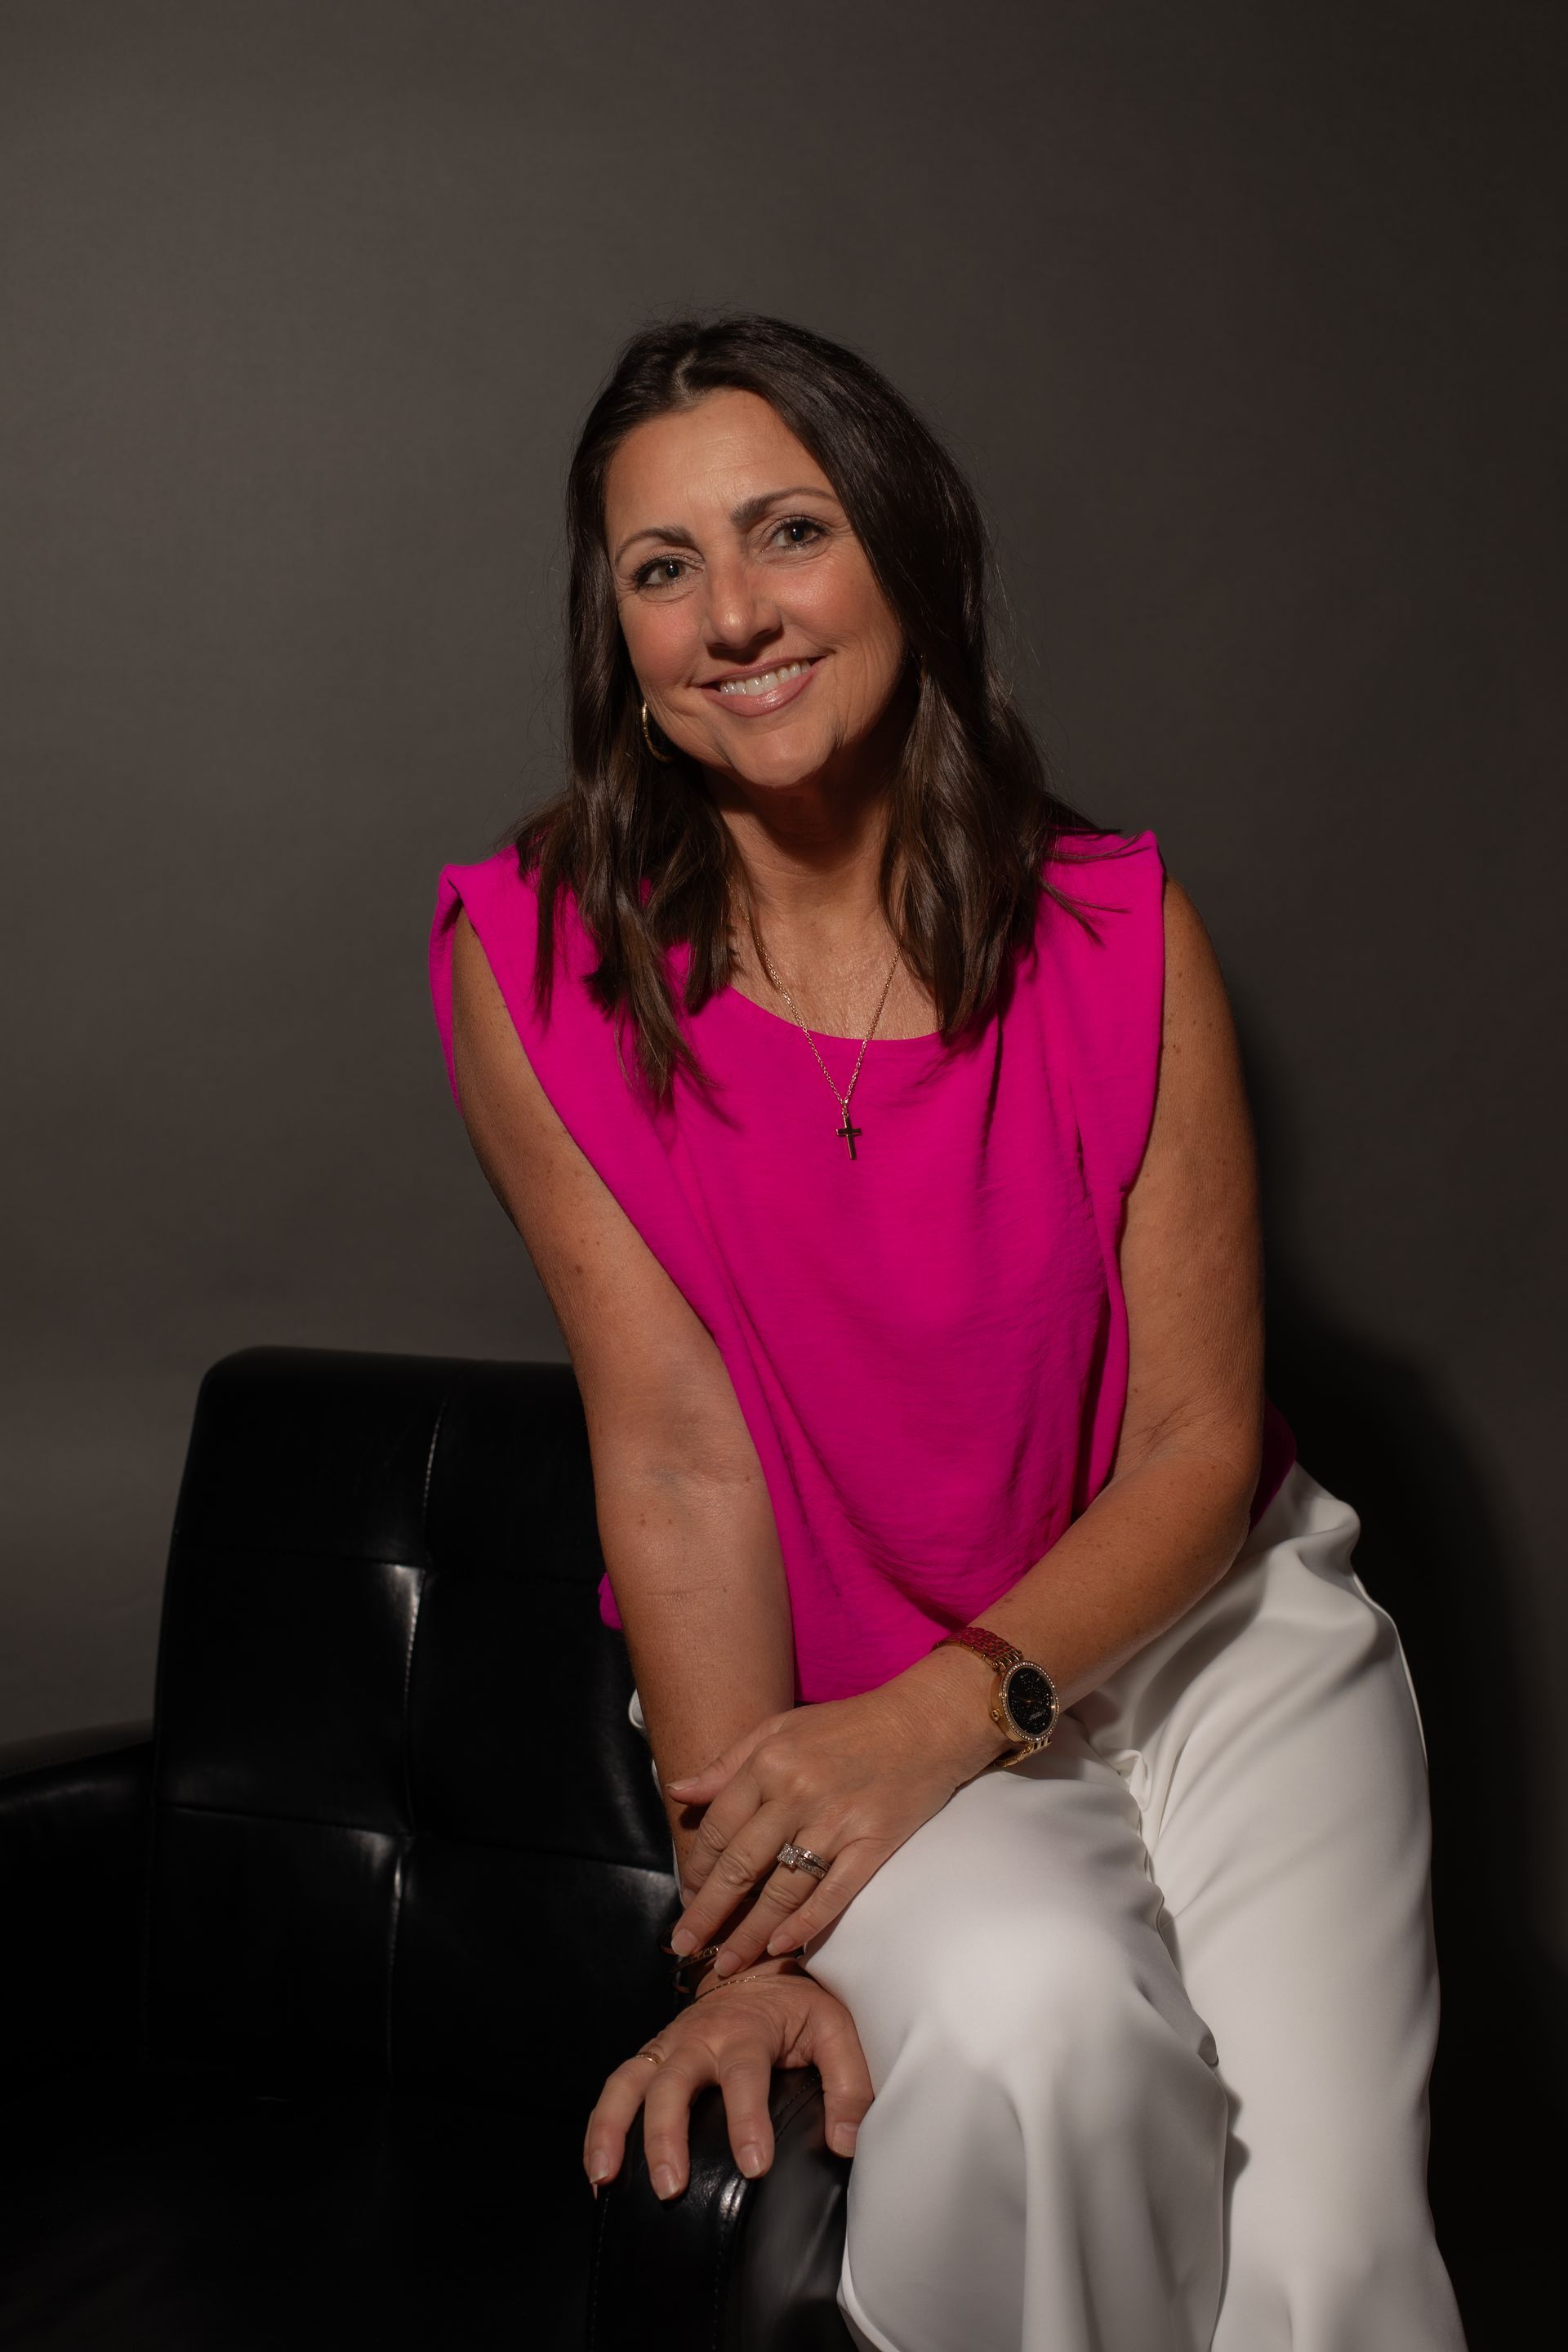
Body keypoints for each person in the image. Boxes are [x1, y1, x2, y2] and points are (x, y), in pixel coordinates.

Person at [426, 314, 1467, 2352]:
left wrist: (949, 1713)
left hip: (1215, 1636)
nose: (733, 615)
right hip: (848, 1695)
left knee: (1332, 2260)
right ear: (614, 635)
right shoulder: (532, 959)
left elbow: (1193, 1448)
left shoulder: (1112, 929)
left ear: (905, 551)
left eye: (788, 532)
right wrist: (739, 1941)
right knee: (1032, 2047)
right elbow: (674, 1456)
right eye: (661, 569)